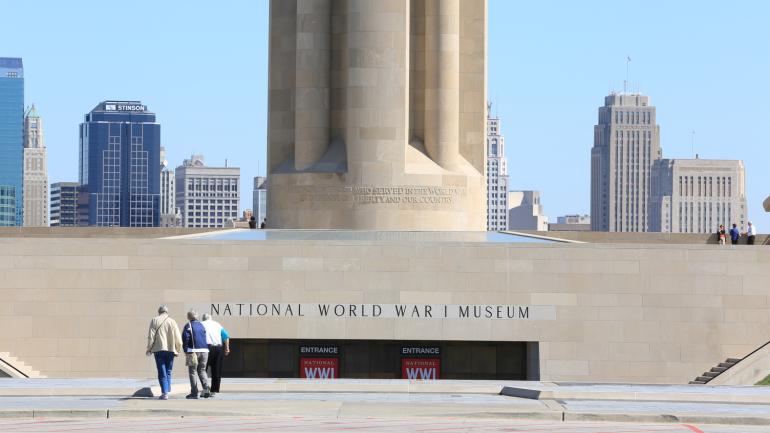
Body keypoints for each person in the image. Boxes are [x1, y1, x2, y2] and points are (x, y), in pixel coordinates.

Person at [146, 305, 183, 400]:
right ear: (167, 312)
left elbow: (151, 336)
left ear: (159, 312)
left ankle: (165, 392)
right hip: (170, 349)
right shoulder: (172, 321)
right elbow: (178, 339)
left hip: (158, 349)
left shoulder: (154, 320)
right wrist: (177, 350)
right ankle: (167, 390)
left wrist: (149, 349)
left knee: (162, 371)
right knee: (168, 371)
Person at [182, 309, 210, 399]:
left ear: (188, 317)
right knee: (202, 370)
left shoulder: (188, 325)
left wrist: (185, 350)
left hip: (193, 351)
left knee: (192, 372)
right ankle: (206, 388)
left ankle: (194, 393)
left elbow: (185, 338)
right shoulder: (202, 325)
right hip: (205, 351)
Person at [201, 313, 231, 396]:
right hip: (218, 348)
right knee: (216, 370)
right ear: (211, 318)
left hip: (206, 348)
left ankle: (205, 388)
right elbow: (226, 336)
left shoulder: (201, 324)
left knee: (202, 370)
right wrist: (227, 348)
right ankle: (214, 391)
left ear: (203, 319)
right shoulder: (217, 324)